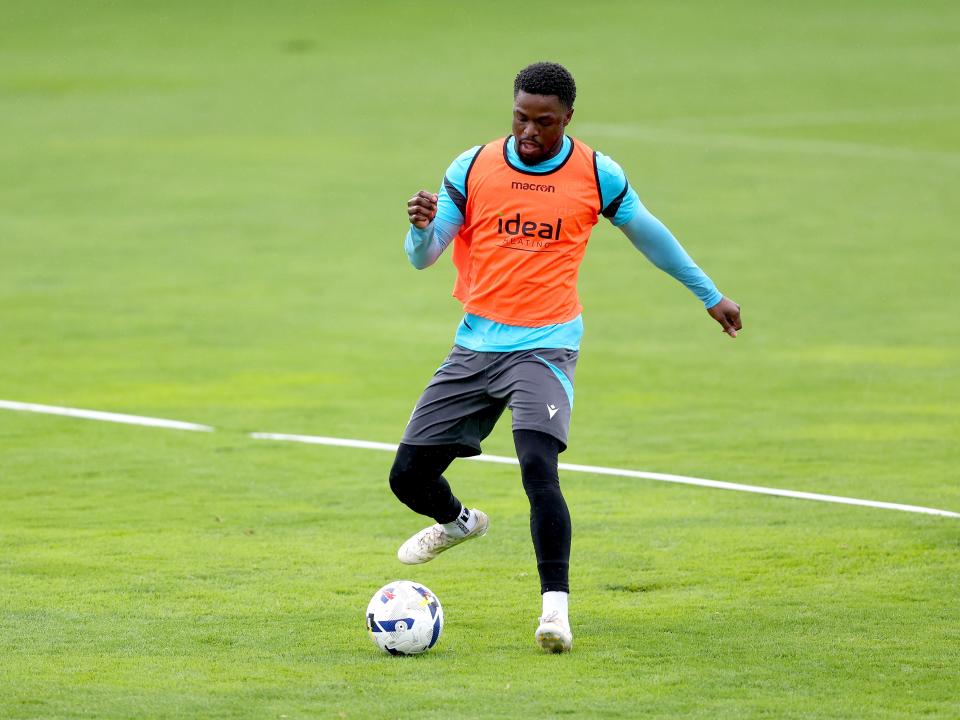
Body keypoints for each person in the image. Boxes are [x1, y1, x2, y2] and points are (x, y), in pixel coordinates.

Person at [389, 61, 742, 654]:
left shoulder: (596, 174)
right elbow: (423, 256)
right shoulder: (472, 166)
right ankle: (457, 522)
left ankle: (555, 611)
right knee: (407, 477)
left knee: (537, 466)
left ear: (568, 119)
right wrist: (421, 229)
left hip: (547, 345)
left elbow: (651, 235)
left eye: (544, 122)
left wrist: (710, 295)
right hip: (476, 343)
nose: (529, 132)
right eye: (521, 118)